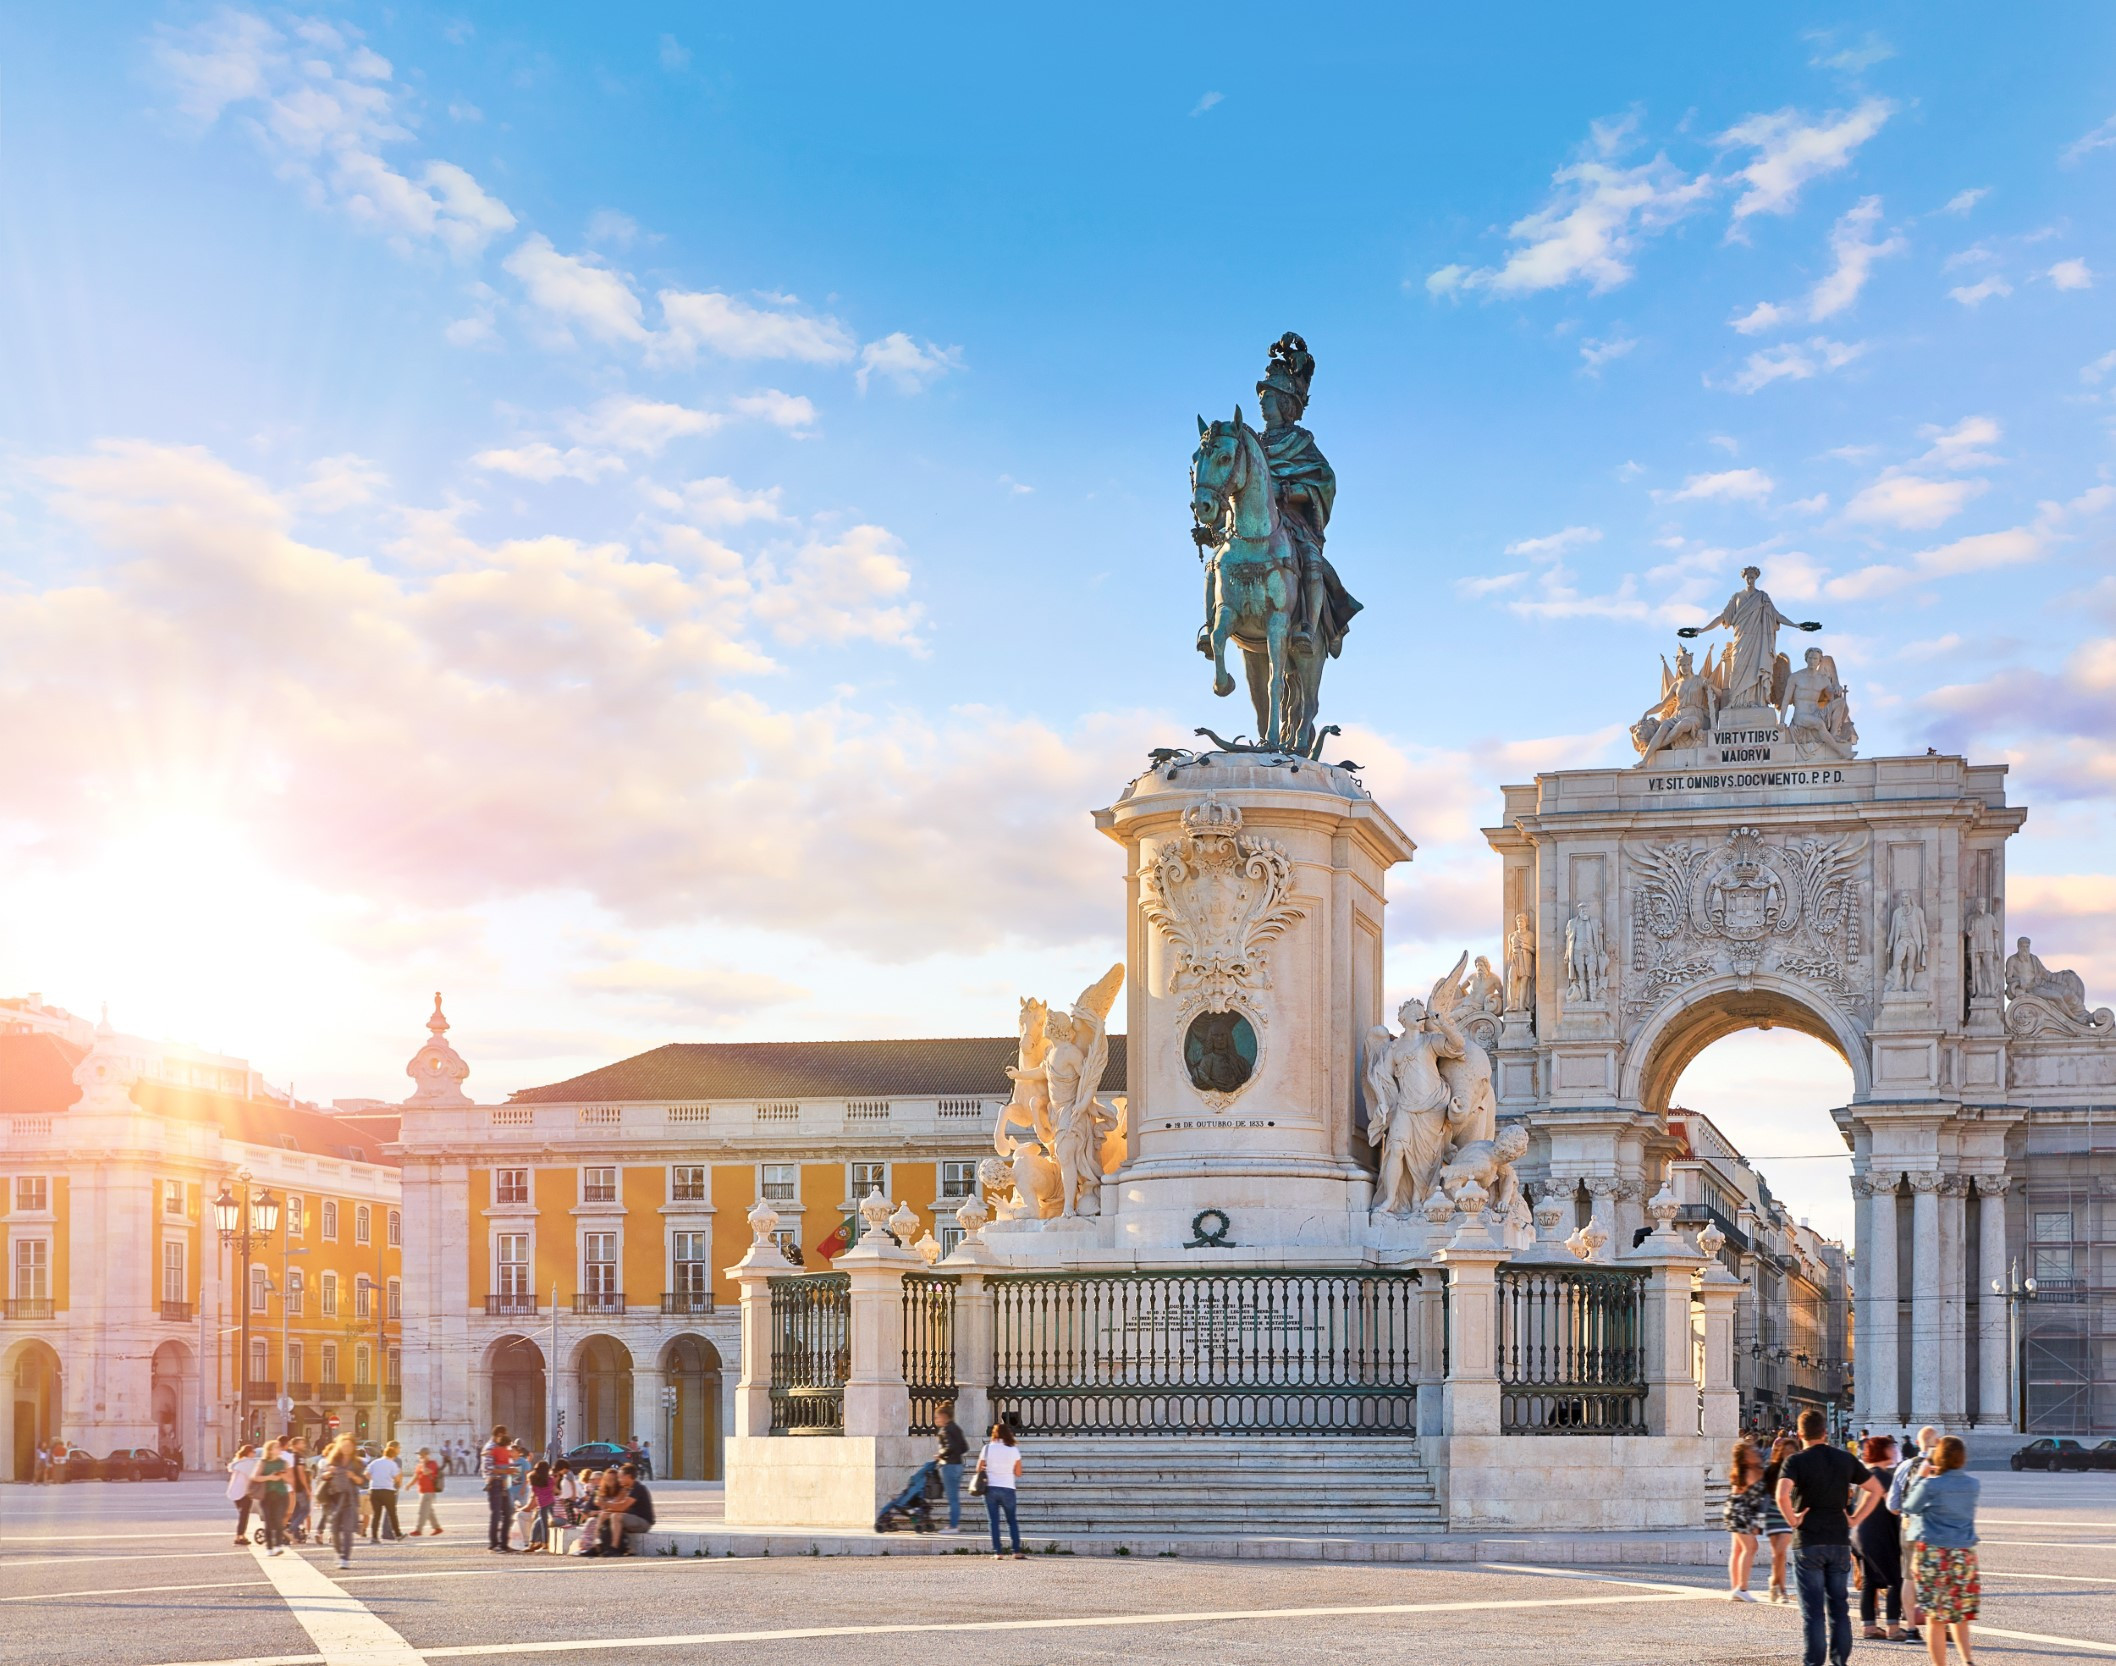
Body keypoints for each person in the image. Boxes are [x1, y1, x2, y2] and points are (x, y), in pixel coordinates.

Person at [1777, 1407, 1885, 1666]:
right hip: (1838, 1540)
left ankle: (1813, 1663)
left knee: (1813, 1612)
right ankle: (1839, 1662)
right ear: (1825, 1432)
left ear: (1800, 1433)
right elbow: (1876, 1489)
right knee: (1839, 1608)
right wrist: (1856, 1518)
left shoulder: (1795, 1461)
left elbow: (1781, 1494)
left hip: (1808, 1542)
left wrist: (1793, 1519)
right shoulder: (1845, 1459)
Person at [1903, 1436, 1980, 1666]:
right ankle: (1967, 1660)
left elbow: (1909, 1506)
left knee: (1935, 1618)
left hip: (1934, 1555)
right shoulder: (1972, 1484)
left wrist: (1922, 1476)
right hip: (1963, 1554)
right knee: (1960, 1615)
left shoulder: (1931, 1485)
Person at [1890, 1425, 1942, 1643]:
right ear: (1935, 1443)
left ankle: (1911, 1629)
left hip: (1909, 1526)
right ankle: (1937, 1628)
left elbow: (1892, 1505)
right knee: (1936, 1579)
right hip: (1935, 1528)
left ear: (1919, 1443)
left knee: (1908, 1578)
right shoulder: (1941, 1466)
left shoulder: (1904, 1466)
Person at [1853, 1435, 1907, 1641]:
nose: (1895, 1451)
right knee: (1895, 1580)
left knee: (1869, 1581)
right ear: (1882, 1451)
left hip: (1861, 1536)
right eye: (1891, 1447)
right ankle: (1893, 1627)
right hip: (1879, 1535)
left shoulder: (1867, 1474)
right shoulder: (1884, 1478)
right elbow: (1894, 1508)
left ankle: (1869, 1627)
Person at [1724, 1438, 1767, 1600]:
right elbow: (1760, 1499)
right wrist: (1759, 1524)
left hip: (1734, 1508)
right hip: (1742, 1510)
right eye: (1751, 1451)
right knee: (1750, 1547)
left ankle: (1736, 1587)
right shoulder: (1750, 1472)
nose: (1755, 1452)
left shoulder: (1739, 1471)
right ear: (1745, 1457)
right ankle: (1742, 1588)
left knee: (1738, 1550)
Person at [316, 1435, 367, 1571]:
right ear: (339, 1446)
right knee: (335, 1530)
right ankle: (339, 1553)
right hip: (333, 1499)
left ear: (353, 1447)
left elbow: (363, 1482)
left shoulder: (358, 1463)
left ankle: (345, 1558)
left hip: (349, 1499)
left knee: (348, 1530)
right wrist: (327, 1474)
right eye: (344, 1445)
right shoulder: (332, 1460)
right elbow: (321, 1476)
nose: (346, 1448)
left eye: (349, 1446)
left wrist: (353, 1476)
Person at [976, 1420, 1025, 1559]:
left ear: (994, 1434)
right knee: (1012, 1521)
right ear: (1008, 1434)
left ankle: (998, 1552)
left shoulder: (987, 1448)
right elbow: (1018, 1472)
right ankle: (1016, 1551)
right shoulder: (1013, 1450)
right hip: (1008, 1487)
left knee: (994, 1521)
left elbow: (978, 1468)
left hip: (990, 1488)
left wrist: (988, 1468)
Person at [1760, 1433, 1798, 1603]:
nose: (1788, 1455)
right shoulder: (1772, 1469)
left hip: (1787, 1513)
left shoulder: (1798, 1469)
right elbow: (1762, 1491)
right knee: (1778, 1554)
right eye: (1786, 1451)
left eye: (1792, 1452)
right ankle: (1775, 1584)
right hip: (1772, 1514)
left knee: (1780, 1552)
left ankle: (1780, 1589)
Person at [254, 1440, 295, 1557]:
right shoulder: (263, 1462)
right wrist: (270, 1477)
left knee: (278, 1520)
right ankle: (269, 1547)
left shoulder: (284, 1463)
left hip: (281, 1495)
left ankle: (277, 1546)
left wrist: (283, 1476)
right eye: (276, 1447)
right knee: (268, 1521)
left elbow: (291, 1480)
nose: (279, 1449)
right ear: (270, 1450)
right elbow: (255, 1477)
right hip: (266, 1496)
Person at [481, 1425, 517, 1552]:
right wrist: (507, 1470)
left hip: (504, 1482)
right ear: (499, 1435)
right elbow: (489, 1469)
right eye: (503, 1435)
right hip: (495, 1483)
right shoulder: (491, 1447)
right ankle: (494, 1543)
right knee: (496, 1514)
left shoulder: (500, 1447)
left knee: (508, 1513)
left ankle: (504, 1543)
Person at [935, 1403, 970, 1532]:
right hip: (958, 1465)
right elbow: (964, 1447)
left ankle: (953, 1525)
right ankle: (953, 1524)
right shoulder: (956, 1428)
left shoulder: (946, 1430)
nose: (936, 1420)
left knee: (952, 1498)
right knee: (954, 1497)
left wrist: (941, 1455)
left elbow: (950, 1447)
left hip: (949, 1466)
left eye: (937, 1417)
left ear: (944, 1416)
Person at [366, 1441, 403, 1542]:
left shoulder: (375, 1462)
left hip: (374, 1490)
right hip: (387, 1491)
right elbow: (397, 1477)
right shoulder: (392, 1464)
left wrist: (374, 1480)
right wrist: (394, 1483)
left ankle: (374, 1537)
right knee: (392, 1514)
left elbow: (366, 1474)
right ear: (393, 1454)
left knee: (376, 1515)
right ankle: (398, 1534)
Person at [227, 1443, 261, 1545]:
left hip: (235, 1492)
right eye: (253, 1452)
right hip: (245, 1492)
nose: (255, 1454)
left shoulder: (237, 1462)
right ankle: (240, 1536)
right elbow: (253, 1476)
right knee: (244, 1515)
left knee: (242, 1514)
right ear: (249, 1453)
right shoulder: (248, 1463)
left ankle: (240, 1535)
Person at [285, 1436, 314, 1544]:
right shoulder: (299, 1457)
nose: (304, 1445)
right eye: (302, 1443)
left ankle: (296, 1534)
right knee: (305, 1510)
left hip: (291, 1487)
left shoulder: (290, 1455)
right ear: (295, 1445)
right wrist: (307, 1488)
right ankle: (291, 1529)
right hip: (299, 1488)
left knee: (296, 1511)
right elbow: (301, 1473)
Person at [410, 1447, 444, 1535]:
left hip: (429, 1491)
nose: (419, 1456)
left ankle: (418, 1530)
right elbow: (416, 1477)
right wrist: (409, 1485)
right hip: (422, 1491)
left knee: (422, 1511)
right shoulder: (419, 1465)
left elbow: (426, 1472)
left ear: (425, 1455)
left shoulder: (432, 1464)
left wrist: (424, 1462)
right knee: (429, 1511)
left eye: (420, 1455)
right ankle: (437, 1528)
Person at [524, 1460, 556, 1551]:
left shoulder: (533, 1479)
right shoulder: (550, 1480)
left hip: (542, 1505)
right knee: (546, 1524)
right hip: (551, 1503)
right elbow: (553, 1490)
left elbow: (535, 1493)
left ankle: (536, 1543)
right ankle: (544, 1543)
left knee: (542, 1524)